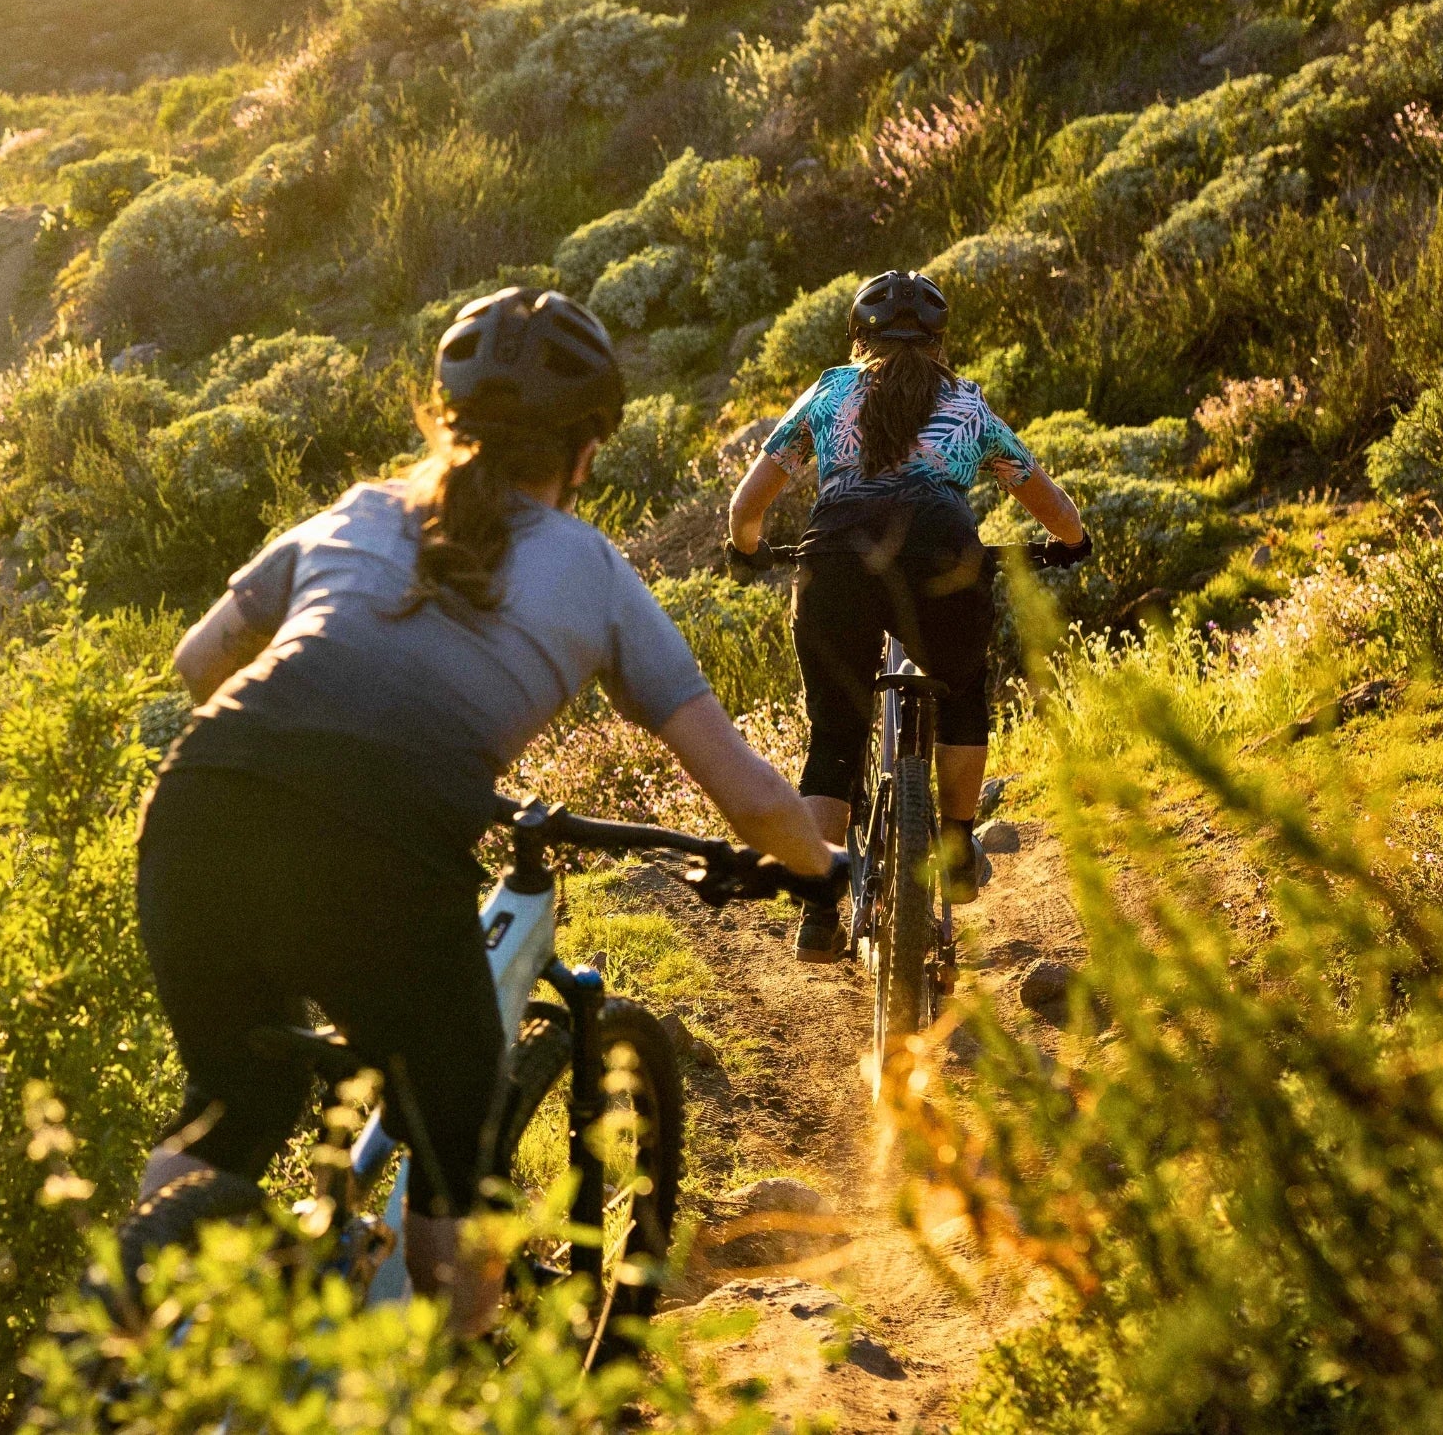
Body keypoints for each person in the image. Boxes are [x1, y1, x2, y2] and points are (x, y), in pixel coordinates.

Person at [127, 287, 843, 1337]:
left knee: (234, 1097)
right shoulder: (594, 573)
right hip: (380, 851)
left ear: (446, 417)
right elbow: (744, 791)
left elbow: (198, 663)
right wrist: (825, 868)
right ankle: (453, 1380)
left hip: (197, 810)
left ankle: (131, 1353)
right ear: (587, 449)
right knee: (458, 1165)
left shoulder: (357, 512)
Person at [723, 270, 1089, 962]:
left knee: (835, 732)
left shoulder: (830, 391)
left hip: (837, 556)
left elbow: (747, 507)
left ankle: (818, 906)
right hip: (941, 548)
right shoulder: (966, 405)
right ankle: (953, 845)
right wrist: (1071, 543)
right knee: (960, 694)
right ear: (940, 341)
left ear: (858, 337)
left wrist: (748, 550)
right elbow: (1050, 504)